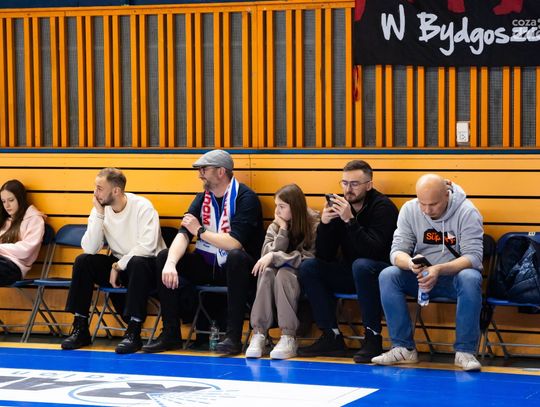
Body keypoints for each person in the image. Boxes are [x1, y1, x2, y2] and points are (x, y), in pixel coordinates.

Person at [143, 149, 264, 355]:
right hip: (207, 264)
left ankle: (233, 337)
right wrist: (171, 263)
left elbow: (234, 243)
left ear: (221, 172)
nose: (200, 175)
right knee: (164, 256)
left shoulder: (246, 198)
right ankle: (171, 333)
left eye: (204, 170)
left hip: (238, 270)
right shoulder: (202, 198)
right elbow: (184, 233)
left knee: (236, 257)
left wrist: (200, 231)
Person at [372, 174, 484, 371]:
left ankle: (465, 352)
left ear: (447, 195)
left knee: (470, 277)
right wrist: (410, 263)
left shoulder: (467, 212)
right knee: (388, 275)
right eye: (422, 203)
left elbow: (473, 257)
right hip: (420, 277)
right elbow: (396, 252)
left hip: (452, 278)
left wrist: (438, 269)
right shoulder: (409, 209)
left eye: (433, 204)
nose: (426, 210)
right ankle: (403, 348)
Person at [297, 160, 398, 362]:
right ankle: (331, 336)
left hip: (379, 273)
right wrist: (325, 225)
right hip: (351, 272)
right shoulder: (340, 206)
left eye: (354, 184)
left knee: (361, 265)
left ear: (369, 185)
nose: (348, 189)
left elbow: (373, 250)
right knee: (309, 267)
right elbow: (324, 255)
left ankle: (373, 338)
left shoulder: (383, 208)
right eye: (344, 183)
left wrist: (350, 221)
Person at [61, 168, 166, 354]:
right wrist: (99, 214)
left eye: (100, 188)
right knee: (83, 261)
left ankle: (133, 332)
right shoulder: (100, 209)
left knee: (137, 263)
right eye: (95, 187)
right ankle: (80, 328)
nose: (95, 192)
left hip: (149, 267)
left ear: (116, 191)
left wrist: (118, 266)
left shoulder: (143, 206)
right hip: (119, 265)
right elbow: (90, 248)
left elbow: (148, 247)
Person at [245, 184, 320, 360]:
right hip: (277, 278)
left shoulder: (314, 223)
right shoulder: (276, 225)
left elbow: (309, 258)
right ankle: (259, 334)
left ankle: (288, 336)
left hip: (304, 278)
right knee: (267, 272)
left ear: (295, 207)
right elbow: (266, 255)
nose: (276, 211)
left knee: (284, 273)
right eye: (276, 206)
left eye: (282, 206)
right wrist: (283, 230)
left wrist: (276, 257)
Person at [0, 180, 46, 285]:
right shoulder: (4, 220)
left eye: (11, 200)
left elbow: (26, 250)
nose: (7, 205)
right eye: (3, 201)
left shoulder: (35, 219)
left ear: (20, 199)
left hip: (13, 267)